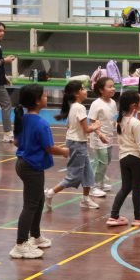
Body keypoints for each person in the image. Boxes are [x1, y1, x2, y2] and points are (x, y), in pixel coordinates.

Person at [10, 84, 68, 259]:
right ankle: (20, 244)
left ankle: (35, 236)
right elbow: (50, 148)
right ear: (37, 101)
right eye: (44, 95)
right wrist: (65, 151)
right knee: (30, 205)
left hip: (24, 164)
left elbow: (16, 142)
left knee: (39, 199)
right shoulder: (41, 124)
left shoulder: (23, 118)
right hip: (31, 167)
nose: (46, 98)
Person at [44, 80, 102, 211]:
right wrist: (96, 126)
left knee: (88, 173)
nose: (85, 91)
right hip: (77, 144)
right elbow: (86, 129)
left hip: (76, 143)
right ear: (77, 93)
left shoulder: (74, 107)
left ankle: (85, 199)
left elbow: (69, 127)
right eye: (83, 89)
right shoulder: (79, 107)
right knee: (74, 176)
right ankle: (50, 192)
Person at [107, 91, 140, 227]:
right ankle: (138, 217)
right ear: (133, 105)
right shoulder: (136, 123)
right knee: (137, 189)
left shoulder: (119, 121)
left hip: (123, 158)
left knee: (125, 187)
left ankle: (113, 216)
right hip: (136, 159)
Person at [88, 77, 117, 198]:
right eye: (109, 87)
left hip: (109, 137)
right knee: (100, 162)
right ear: (101, 90)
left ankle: (100, 182)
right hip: (98, 138)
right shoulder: (96, 104)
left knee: (107, 160)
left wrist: (118, 126)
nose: (113, 88)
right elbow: (92, 122)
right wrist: (100, 134)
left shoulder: (113, 103)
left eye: (113, 86)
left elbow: (114, 118)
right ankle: (93, 187)